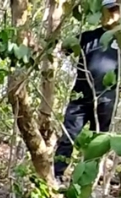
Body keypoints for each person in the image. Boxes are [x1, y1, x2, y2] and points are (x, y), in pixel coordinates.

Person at [54, 0, 120, 181]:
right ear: (101, 13)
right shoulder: (87, 37)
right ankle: (56, 175)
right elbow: (60, 50)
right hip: (80, 98)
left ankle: (88, 180)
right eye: (109, 10)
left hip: (106, 100)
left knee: (98, 143)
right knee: (68, 137)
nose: (113, 14)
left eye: (116, 10)